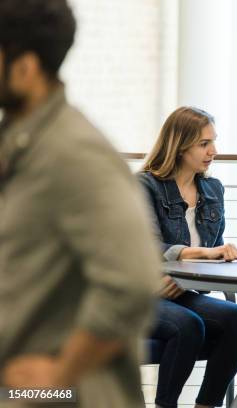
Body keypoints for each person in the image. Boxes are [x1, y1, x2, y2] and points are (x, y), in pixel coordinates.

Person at [0, 1, 160, 406]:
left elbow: (132, 282)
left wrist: (62, 372)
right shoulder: (20, 143)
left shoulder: (73, 153)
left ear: (25, 67)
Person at [139, 106, 237, 408]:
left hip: (181, 291)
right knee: (189, 325)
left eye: (213, 142)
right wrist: (204, 254)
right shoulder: (145, 186)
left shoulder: (213, 190)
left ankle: (206, 405)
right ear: (179, 146)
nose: (213, 151)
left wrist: (221, 256)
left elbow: (213, 252)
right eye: (204, 144)